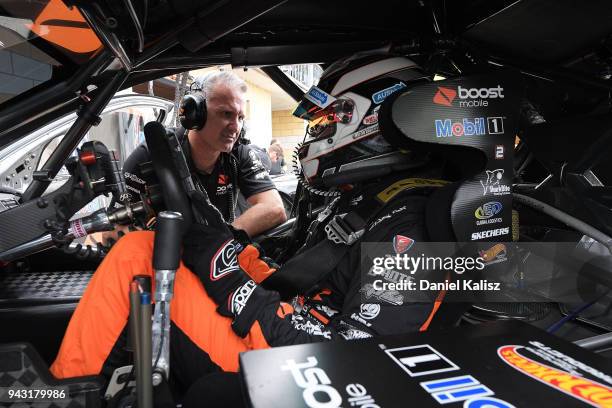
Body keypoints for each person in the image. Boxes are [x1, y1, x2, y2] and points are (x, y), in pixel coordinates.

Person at [49, 54, 458, 396]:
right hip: (286, 329)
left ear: (368, 122)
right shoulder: (369, 199)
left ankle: (58, 398)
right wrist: (230, 250)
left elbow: (351, 361)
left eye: (325, 123)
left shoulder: (415, 227)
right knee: (144, 249)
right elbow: (297, 282)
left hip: (300, 370)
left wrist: (226, 277)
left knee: (137, 258)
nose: (315, 135)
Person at [121, 71, 286, 237]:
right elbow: (115, 230)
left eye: (240, 117)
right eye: (226, 114)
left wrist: (220, 242)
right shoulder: (153, 154)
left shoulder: (239, 153)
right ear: (195, 114)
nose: (236, 128)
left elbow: (274, 208)